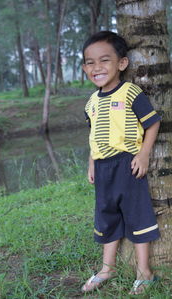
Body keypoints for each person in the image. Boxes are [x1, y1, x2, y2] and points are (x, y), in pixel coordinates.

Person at [81, 31, 161, 295]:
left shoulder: (130, 92)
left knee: (137, 215)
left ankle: (144, 272)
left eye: (104, 60)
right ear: (84, 68)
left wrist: (143, 154)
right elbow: (95, 135)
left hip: (128, 164)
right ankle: (107, 268)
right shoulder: (91, 102)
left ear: (122, 63)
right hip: (103, 169)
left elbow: (152, 122)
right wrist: (92, 163)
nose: (97, 67)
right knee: (107, 216)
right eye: (90, 62)